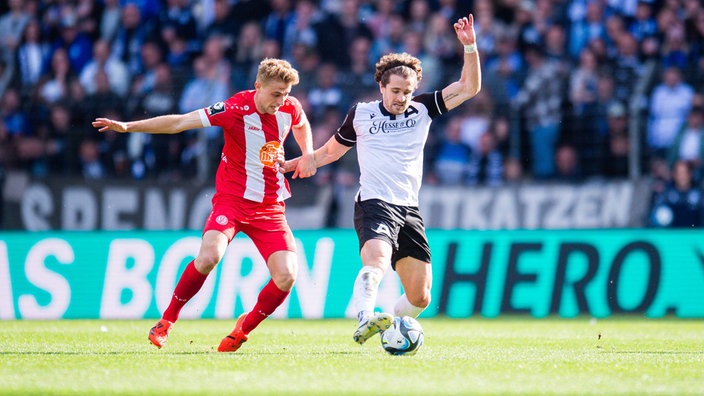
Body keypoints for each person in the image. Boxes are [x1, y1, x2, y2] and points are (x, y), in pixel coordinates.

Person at [92, 58, 316, 352]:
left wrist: (308, 152)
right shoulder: (234, 109)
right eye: (276, 93)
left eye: (286, 93)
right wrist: (127, 127)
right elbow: (179, 122)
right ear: (257, 86)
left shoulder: (289, 106)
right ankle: (166, 321)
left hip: (270, 206)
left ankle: (242, 330)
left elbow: (301, 124)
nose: (282, 100)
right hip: (233, 200)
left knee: (287, 276)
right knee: (210, 256)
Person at [283, 14, 481, 345]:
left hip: (409, 209)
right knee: (376, 261)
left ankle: (390, 326)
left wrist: (470, 46)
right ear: (381, 87)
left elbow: (470, 87)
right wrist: (300, 162)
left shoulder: (423, 109)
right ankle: (364, 317)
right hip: (375, 202)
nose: (401, 98)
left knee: (420, 297)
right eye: (395, 91)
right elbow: (330, 152)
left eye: (407, 92)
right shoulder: (361, 114)